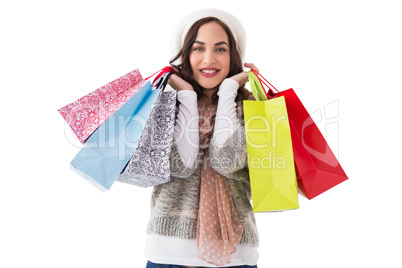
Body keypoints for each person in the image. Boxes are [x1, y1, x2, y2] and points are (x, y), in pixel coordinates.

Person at [145, 9, 259, 268]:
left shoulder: (253, 107)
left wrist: (229, 91)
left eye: (220, 49)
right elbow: (178, 165)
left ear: (233, 56)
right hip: (169, 254)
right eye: (198, 49)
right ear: (185, 54)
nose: (209, 59)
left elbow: (226, 161)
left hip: (237, 257)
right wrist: (185, 95)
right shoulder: (163, 104)